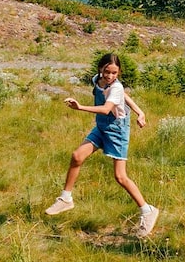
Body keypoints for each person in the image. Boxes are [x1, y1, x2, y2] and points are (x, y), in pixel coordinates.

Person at [45, 53, 160, 238]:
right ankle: (65, 199)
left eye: (114, 73)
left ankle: (147, 211)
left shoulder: (116, 87)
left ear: (119, 72)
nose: (110, 76)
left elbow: (107, 108)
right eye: (107, 72)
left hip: (117, 131)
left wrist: (80, 107)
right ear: (100, 69)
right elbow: (124, 96)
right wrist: (140, 111)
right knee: (77, 156)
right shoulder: (96, 80)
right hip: (101, 126)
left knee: (120, 177)